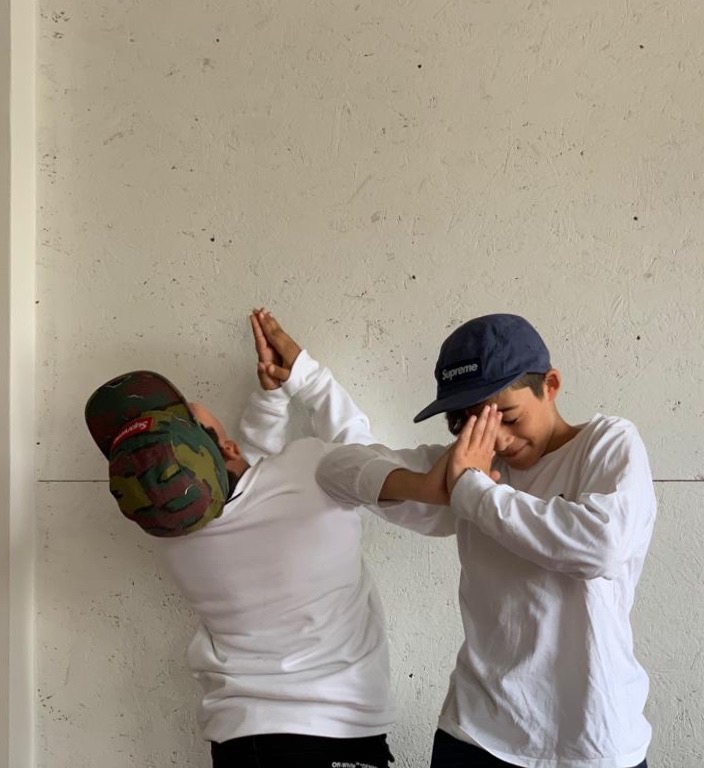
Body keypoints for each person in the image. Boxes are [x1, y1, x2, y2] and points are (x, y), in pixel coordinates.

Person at [315, 313, 657, 768]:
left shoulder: (607, 443)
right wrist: (429, 487)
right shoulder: (470, 467)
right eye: (471, 424)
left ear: (551, 385)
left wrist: (475, 493)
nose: (498, 439)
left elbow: (601, 547)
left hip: (592, 740)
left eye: (508, 416)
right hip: (476, 735)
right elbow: (335, 470)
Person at [84, 310, 394, 768]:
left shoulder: (171, 533)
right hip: (332, 732)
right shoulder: (311, 473)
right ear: (224, 446)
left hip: (238, 739)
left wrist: (270, 399)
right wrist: (307, 378)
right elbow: (362, 462)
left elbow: (246, 485)